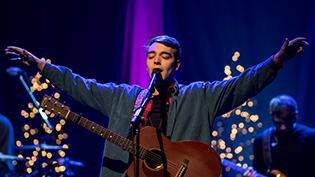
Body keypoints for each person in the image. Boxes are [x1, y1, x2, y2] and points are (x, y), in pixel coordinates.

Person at [5, 35, 308, 177]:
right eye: (152, 55)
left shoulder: (200, 95)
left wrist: (276, 61)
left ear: (177, 63)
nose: (157, 60)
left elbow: (242, 84)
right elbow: (80, 85)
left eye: (164, 56)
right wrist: (41, 65)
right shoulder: (124, 97)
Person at [244, 95, 315, 177]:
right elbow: (259, 171)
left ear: (296, 115)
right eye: (279, 123)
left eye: (287, 123)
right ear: (271, 115)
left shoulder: (311, 137)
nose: (283, 127)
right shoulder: (261, 141)